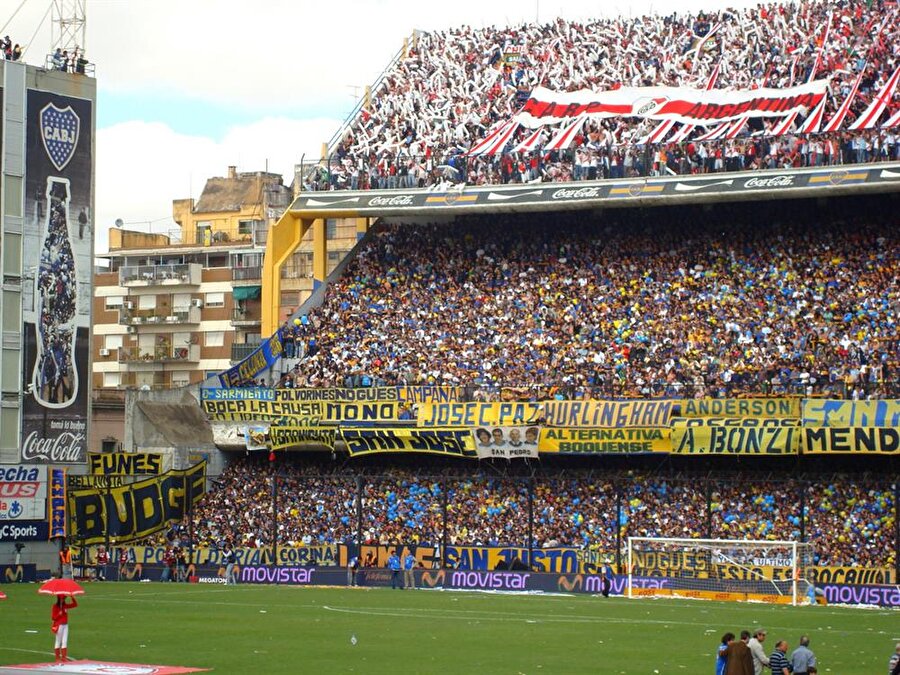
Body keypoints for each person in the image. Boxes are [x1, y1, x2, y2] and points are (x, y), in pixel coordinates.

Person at [51, 596, 77, 663]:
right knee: (58, 641)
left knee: (64, 641)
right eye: (62, 599)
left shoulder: (65, 606)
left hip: (65, 625)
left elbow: (75, 605)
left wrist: (72, 597)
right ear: (59, 599)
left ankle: (64, 658)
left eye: (64, 599)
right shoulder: (55, 606)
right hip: (59, 625)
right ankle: (57, 658)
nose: (63, 600)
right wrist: (59, 615)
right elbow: (53, 618)